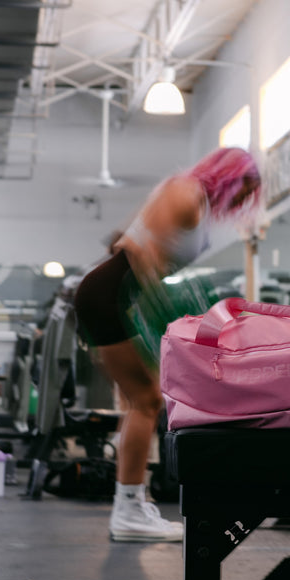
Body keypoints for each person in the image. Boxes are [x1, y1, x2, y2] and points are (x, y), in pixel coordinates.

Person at [74, 147, 262, 542]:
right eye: (246, 189)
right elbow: (138, 252)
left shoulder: (191, 197)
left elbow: (122, 242)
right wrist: (165, 315)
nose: (245, 200)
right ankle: (128, 511)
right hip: (113, 293)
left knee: (142, 400)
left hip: (116, 294)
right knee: (146, 400)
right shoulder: (186, 191)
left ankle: (131, 505)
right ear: (232, 175)